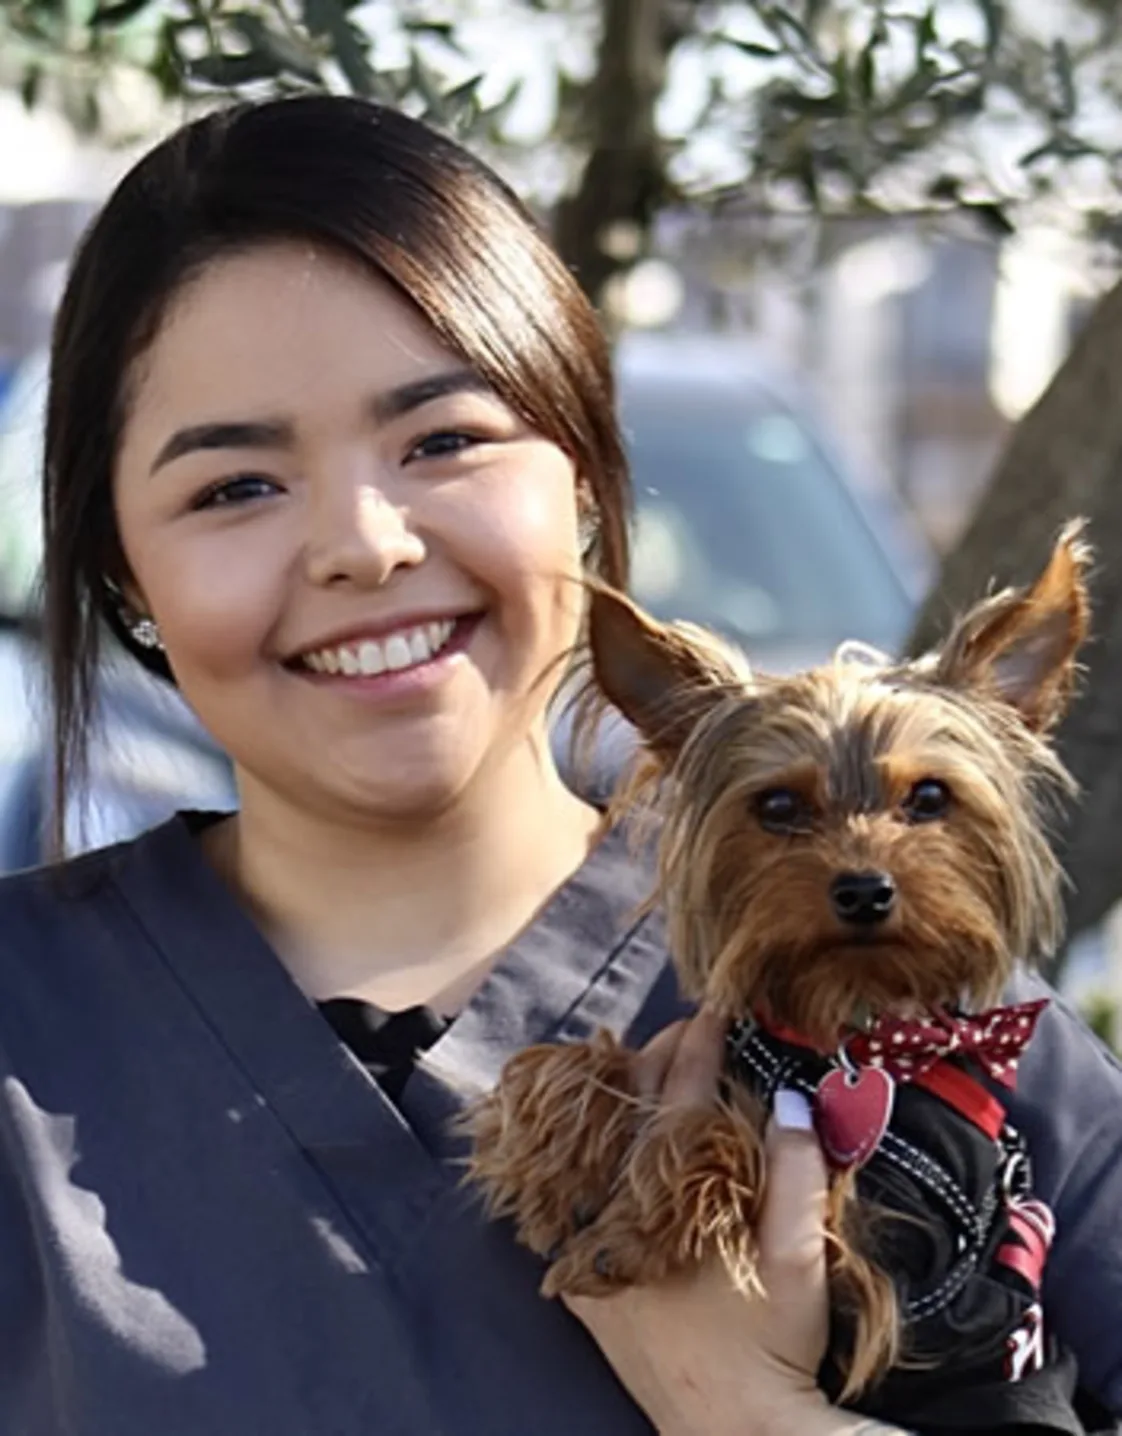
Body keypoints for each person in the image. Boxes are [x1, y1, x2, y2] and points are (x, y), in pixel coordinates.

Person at [0, 94, 1116, 1435]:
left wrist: (750, 1415)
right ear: (122, 567)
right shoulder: (32, 1028)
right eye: (234, 484)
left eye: (443, 440)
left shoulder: (963, 1050)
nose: (363, 544)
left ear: (582, 475)